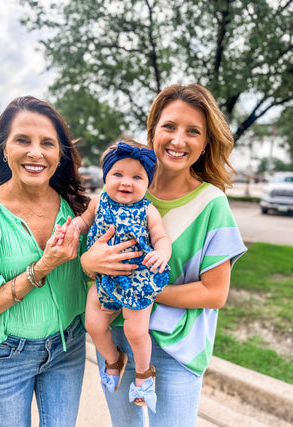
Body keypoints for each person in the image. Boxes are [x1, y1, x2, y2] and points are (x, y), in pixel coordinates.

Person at [80, 83, 247, 426]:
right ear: (153, 129)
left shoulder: (212, 205)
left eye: (193, 132)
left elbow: (214, 294)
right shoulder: (123, 188)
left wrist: (142, 291)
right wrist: (87, 263)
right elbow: (87, 260)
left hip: (176, 350)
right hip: (116, 335)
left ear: (204, 144)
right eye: (169, 126)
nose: (178, 139)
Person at [0, 96, 140, 427]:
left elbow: (108, 271)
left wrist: (92, 266)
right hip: (4, 357)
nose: (36, 152)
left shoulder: (79, 206)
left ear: (59, 153)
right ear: (4, 148)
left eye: (47, 143)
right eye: (23, 140)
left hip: (68, 347)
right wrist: (42, 267)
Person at [55, 140, 171, 413]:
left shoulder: (148, 210)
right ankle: (113, 358)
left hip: (136, 280)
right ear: (105, 176)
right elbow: (83, 223)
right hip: (103, 280)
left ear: (147, 183)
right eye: (117, 174)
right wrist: (71, 230)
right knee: (93, 324)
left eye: (137, 177)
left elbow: (161, 238)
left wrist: (162, 254)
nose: (126, 182)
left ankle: (144, 374)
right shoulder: (98, 202)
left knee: (135, 330)